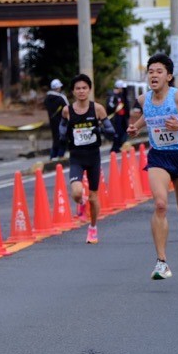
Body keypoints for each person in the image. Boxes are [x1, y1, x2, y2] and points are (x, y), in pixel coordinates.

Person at [127, 53, 178, 280]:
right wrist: (136, 127)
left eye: (159, 71)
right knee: (161, 205)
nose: (153, 75)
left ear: (169, 76)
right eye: (150, 71)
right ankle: (161, 262)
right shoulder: (144, 100)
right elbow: (148, 116)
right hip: (158, 158)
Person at [59, 74, 116, 245]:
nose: (81, 91)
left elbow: (111, 131)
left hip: (93, 157)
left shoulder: (98, 109)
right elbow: (61, 131)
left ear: (89, 90)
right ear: (73, 91)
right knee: (76, 192)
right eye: (78, 88)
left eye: (84, 88)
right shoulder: (67, 110)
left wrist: (101, 130)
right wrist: (63, 137)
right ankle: (80, 202)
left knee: (93, 197)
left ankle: (93, 228)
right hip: (76, 156)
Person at [44, 78, 69, 160]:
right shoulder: (61, 98)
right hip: (63, 121)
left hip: (52, 122)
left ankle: (52, 156)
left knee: (55, 139)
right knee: (63, 138)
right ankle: (60, 155)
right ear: (58, 88)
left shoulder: (47, 98)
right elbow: (68, 108)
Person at [106, 79, 130, 153]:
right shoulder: (112, 95)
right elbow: (110, 106)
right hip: (116, 118)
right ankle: (115, 148)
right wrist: (115, 107)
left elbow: (126, 105)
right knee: (117, 133)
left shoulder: (123, 96)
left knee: (124, 132)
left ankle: (121, 146)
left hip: (123, 117)